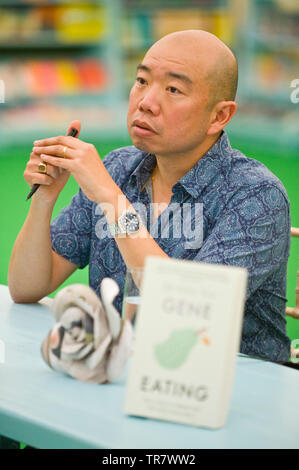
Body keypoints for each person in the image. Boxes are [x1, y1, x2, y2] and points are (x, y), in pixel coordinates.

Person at [8, 30, 291, 362]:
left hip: (232, 389)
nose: (146, 102)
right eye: (142, 80)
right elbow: (26, 287)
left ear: (219, 116)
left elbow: (183, 315)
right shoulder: (117, 168)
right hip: (119, 374)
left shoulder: (257, 195)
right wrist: (44, 198)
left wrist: (110, 199)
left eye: (173, 89)